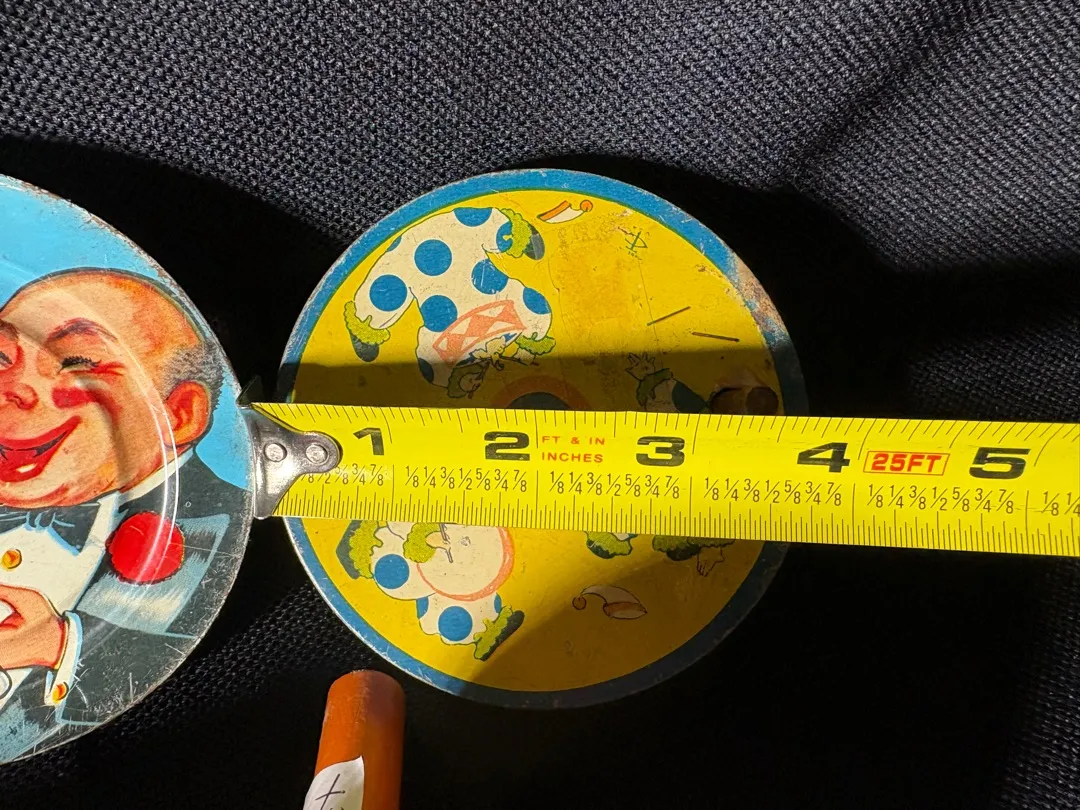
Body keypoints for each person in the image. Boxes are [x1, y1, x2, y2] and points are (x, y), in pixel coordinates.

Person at [0, 268, 245, 761]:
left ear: (179, 416)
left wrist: (59, 645)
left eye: (76, 362)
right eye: (2, 358)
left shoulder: (212, 527)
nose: (12, 389)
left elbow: (200, 669)